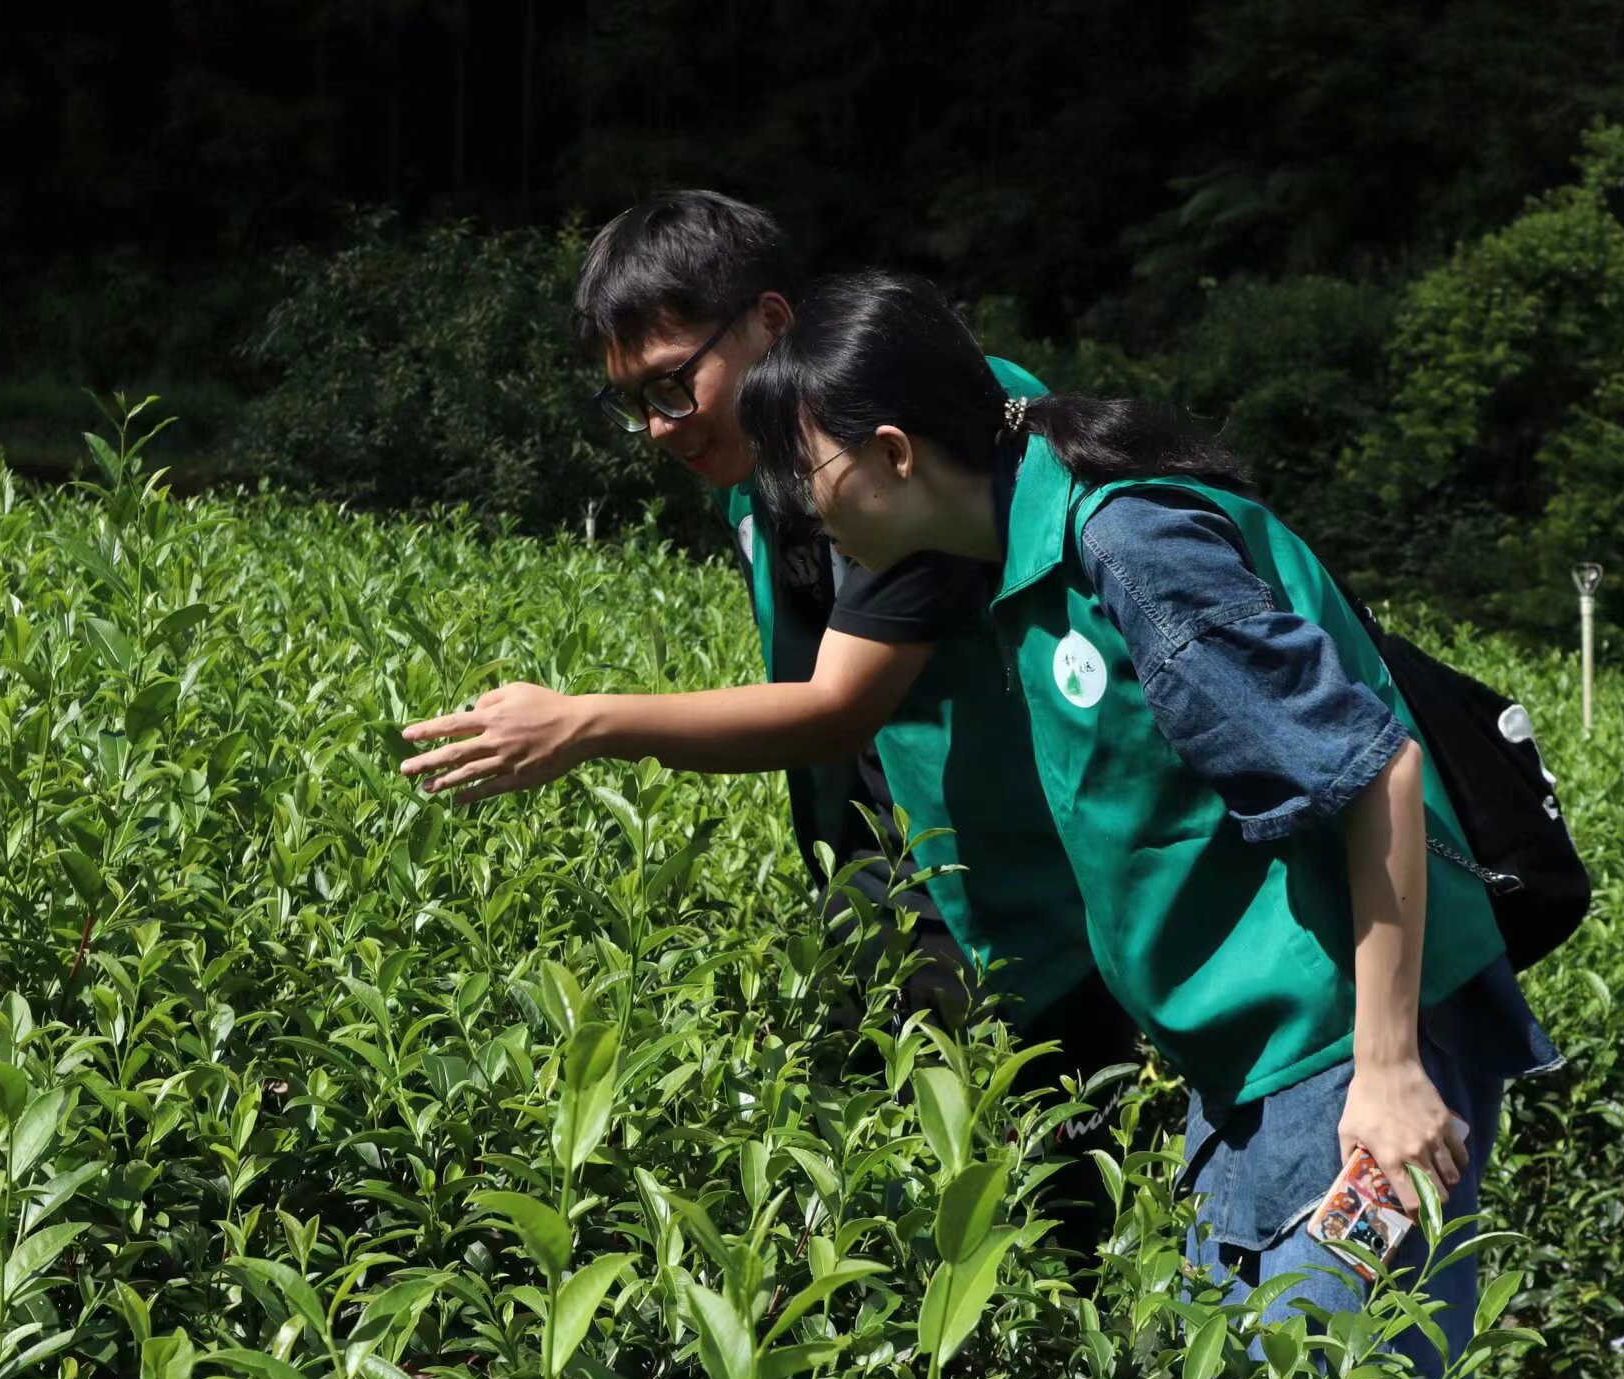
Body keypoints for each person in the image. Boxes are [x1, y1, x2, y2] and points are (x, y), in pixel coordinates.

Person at [737, 270, 1562, 1379]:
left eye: (807, 469)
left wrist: (1390, 1067)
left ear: (892, 454)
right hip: (1246, 1061)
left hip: (1338, 1044)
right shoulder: (1026, 552)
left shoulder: (1129, 542)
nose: (799, 509)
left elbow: (1373, 770)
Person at [395, 193, 1136, 1233]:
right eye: (633, 402)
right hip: (889, 876)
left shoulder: (904, 440)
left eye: (670, 384)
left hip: (1025, 904)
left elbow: (839, 705)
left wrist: (587, 721)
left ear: (770, 322)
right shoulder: (764, 454)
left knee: (1043, 1225)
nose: (659, 428)